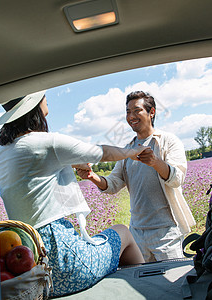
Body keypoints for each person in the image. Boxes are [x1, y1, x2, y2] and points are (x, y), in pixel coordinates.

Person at [0, 90, 145, 297]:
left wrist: (74, 163)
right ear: (34, 105)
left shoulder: (0, 154)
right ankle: (148, 288)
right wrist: (133, 152)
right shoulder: (45, 142)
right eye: (43, 95)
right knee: (123, 232)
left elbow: (34, 169)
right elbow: (102, 152)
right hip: (65, 262)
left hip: (34, 266)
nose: (46, 98)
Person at [77, 91, 196, 262]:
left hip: (167, 232)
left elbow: (177, 178)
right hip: (137, 233)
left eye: (136, 110)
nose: (131, 116)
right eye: (127, 112)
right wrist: (91, 176)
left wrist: (155, 162)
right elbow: (113, 184)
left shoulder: (168, 141)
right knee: (143, 285)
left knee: (173, 284)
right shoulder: (127, 150)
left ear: (151, 112)